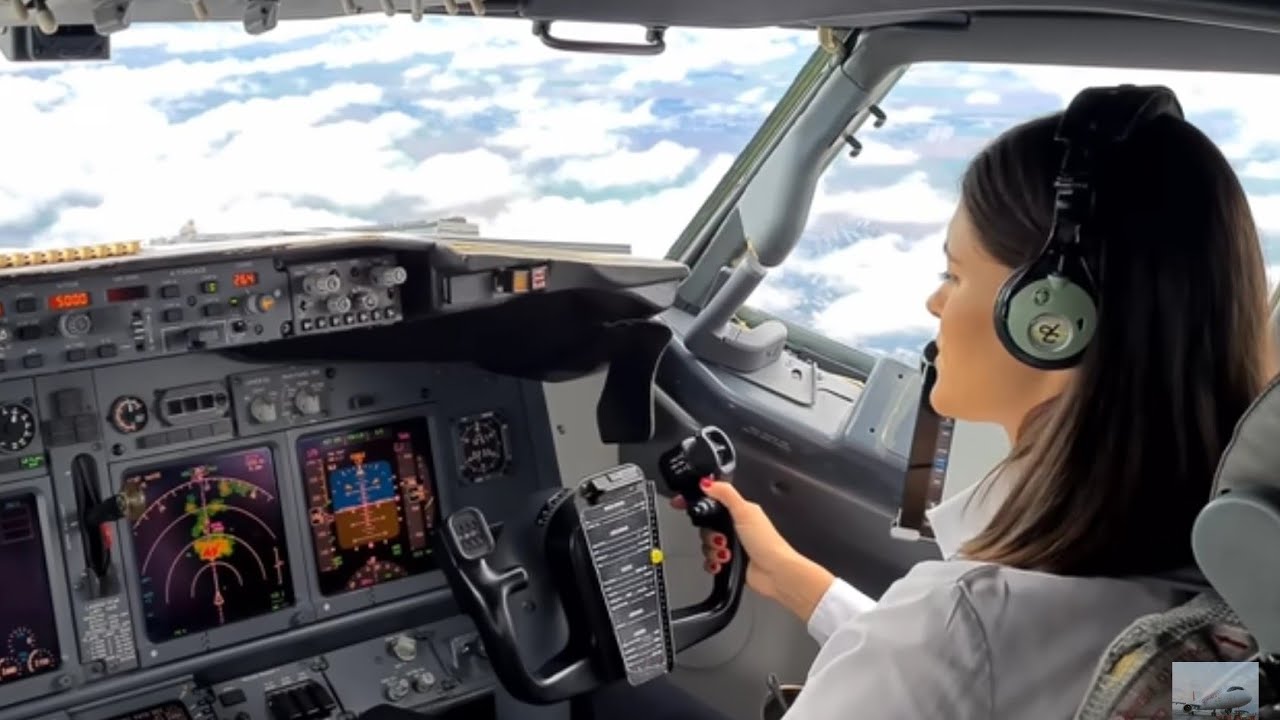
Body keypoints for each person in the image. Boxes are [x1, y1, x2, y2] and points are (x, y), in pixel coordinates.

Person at [598, 86, 1274, 719]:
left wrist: (913, 633)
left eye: (955, 272)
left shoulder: (956, 627)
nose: (936, 303)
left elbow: (962, 663)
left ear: (1055, 324)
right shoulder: (1228, 613)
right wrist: (802, 583)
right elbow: (1016, 681)